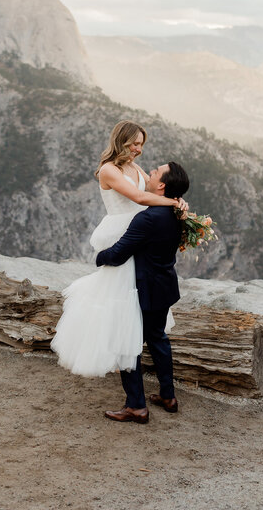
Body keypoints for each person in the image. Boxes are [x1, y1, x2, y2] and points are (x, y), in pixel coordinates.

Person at [50, 120, 187, 378]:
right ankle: (128, 364)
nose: (138, 149)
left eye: (141, 144)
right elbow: (139, 197)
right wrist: (171, 202)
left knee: (137, 297)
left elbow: (154, 188)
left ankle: (140, 389)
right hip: (123, 234)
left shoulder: (135, 167)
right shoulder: (108, 170)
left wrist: (178, 200)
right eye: (134, 143)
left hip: (140, 233)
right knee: (120, 303)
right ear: (120, 140)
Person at [96, 161, 190, 424]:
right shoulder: (176, 213)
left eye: (155, 172)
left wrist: (97, 257)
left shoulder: (147, 217)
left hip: (142, 290)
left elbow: (117, 255)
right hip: (165, 286)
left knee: (129, 345)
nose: (149, 172)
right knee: (158, 339)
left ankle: (136, 406)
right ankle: (168, 396)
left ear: (161, 185)